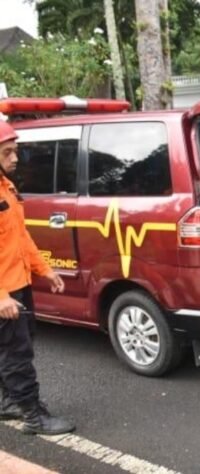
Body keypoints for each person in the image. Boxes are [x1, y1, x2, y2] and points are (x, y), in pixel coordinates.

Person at [0, 120, 75, 435]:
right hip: (5, 293)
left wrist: (45, 270)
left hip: (19, 284)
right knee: (17, 354)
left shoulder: (7, 187)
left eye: (15, 151)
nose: (15, 158)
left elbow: (21, 238)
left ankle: (8, 403)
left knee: (14, 347)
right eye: (7, 153)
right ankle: (33, 416)